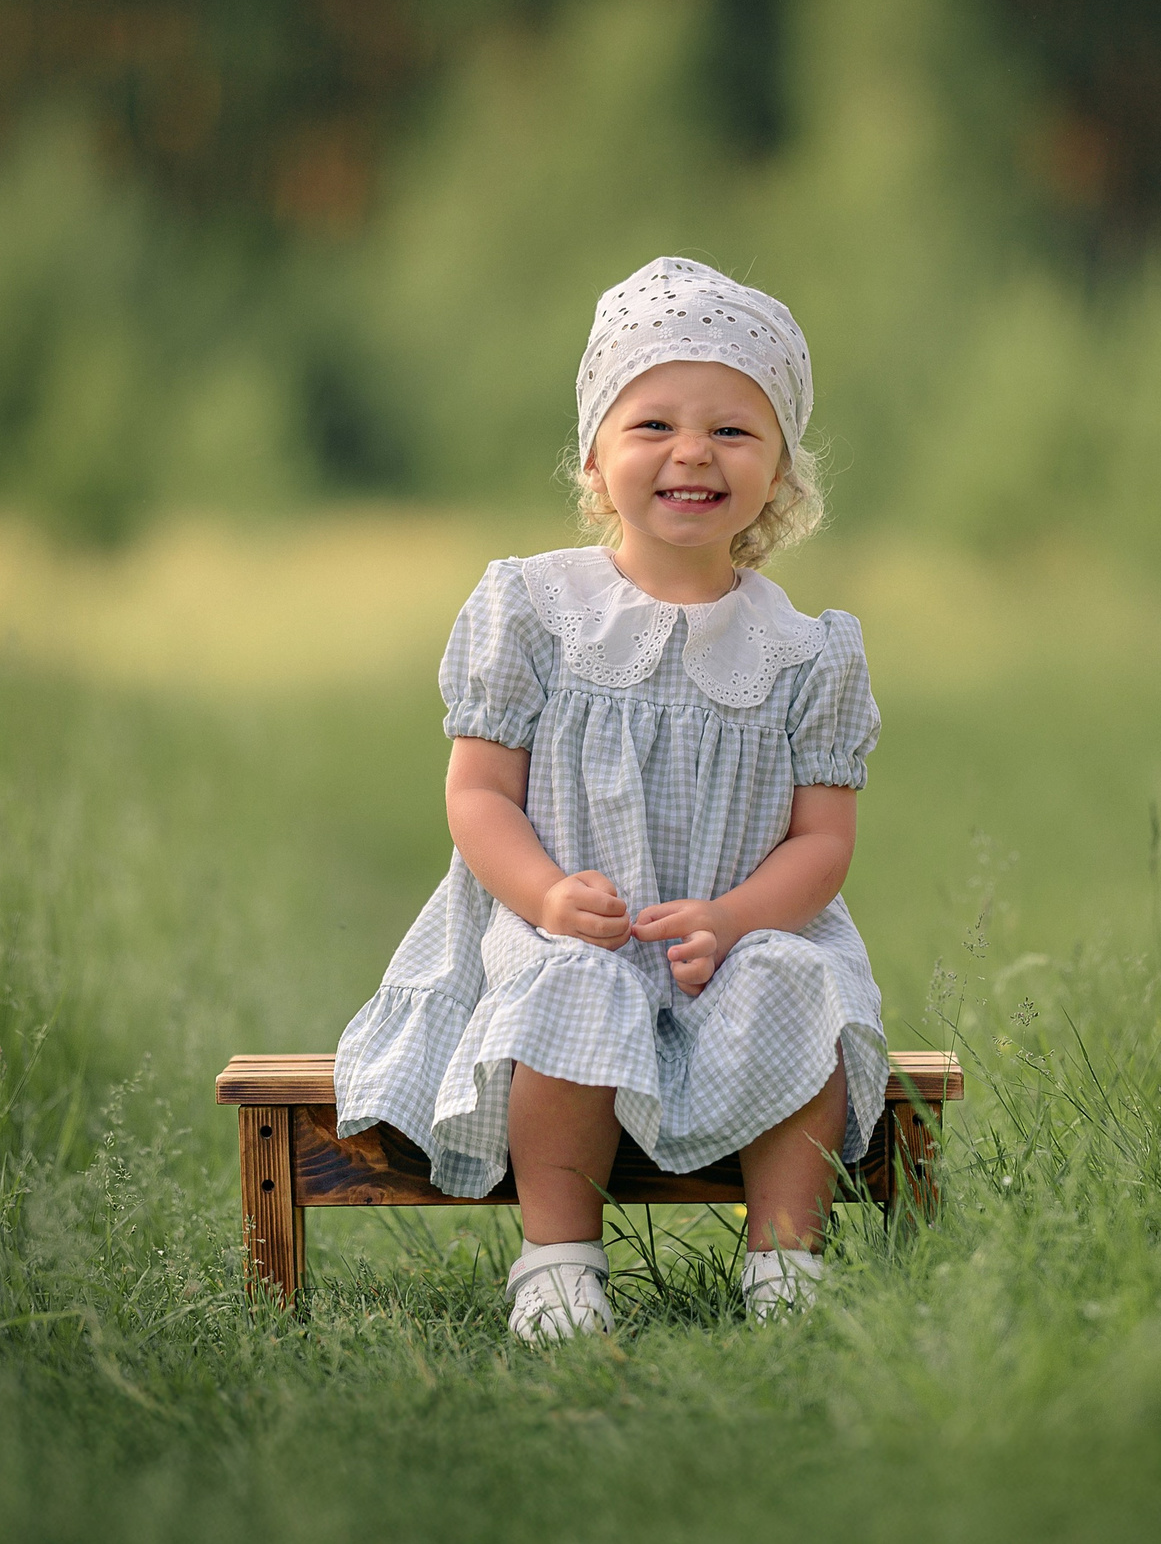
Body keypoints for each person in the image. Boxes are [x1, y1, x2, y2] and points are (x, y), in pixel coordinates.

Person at [333, 255, 887, 1340]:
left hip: (736, 938)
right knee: (570, 989)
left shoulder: (805, 652)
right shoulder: (536, 610)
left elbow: (823, 842)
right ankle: (557, 1261)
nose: (694, 451)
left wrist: (735, 920)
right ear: (595, 454)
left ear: (780, 470)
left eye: (734, 429)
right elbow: (479, 794)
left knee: (803, 989)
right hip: (572, 929)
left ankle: (786, 1264)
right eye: (653, 425)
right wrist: (544, 896)